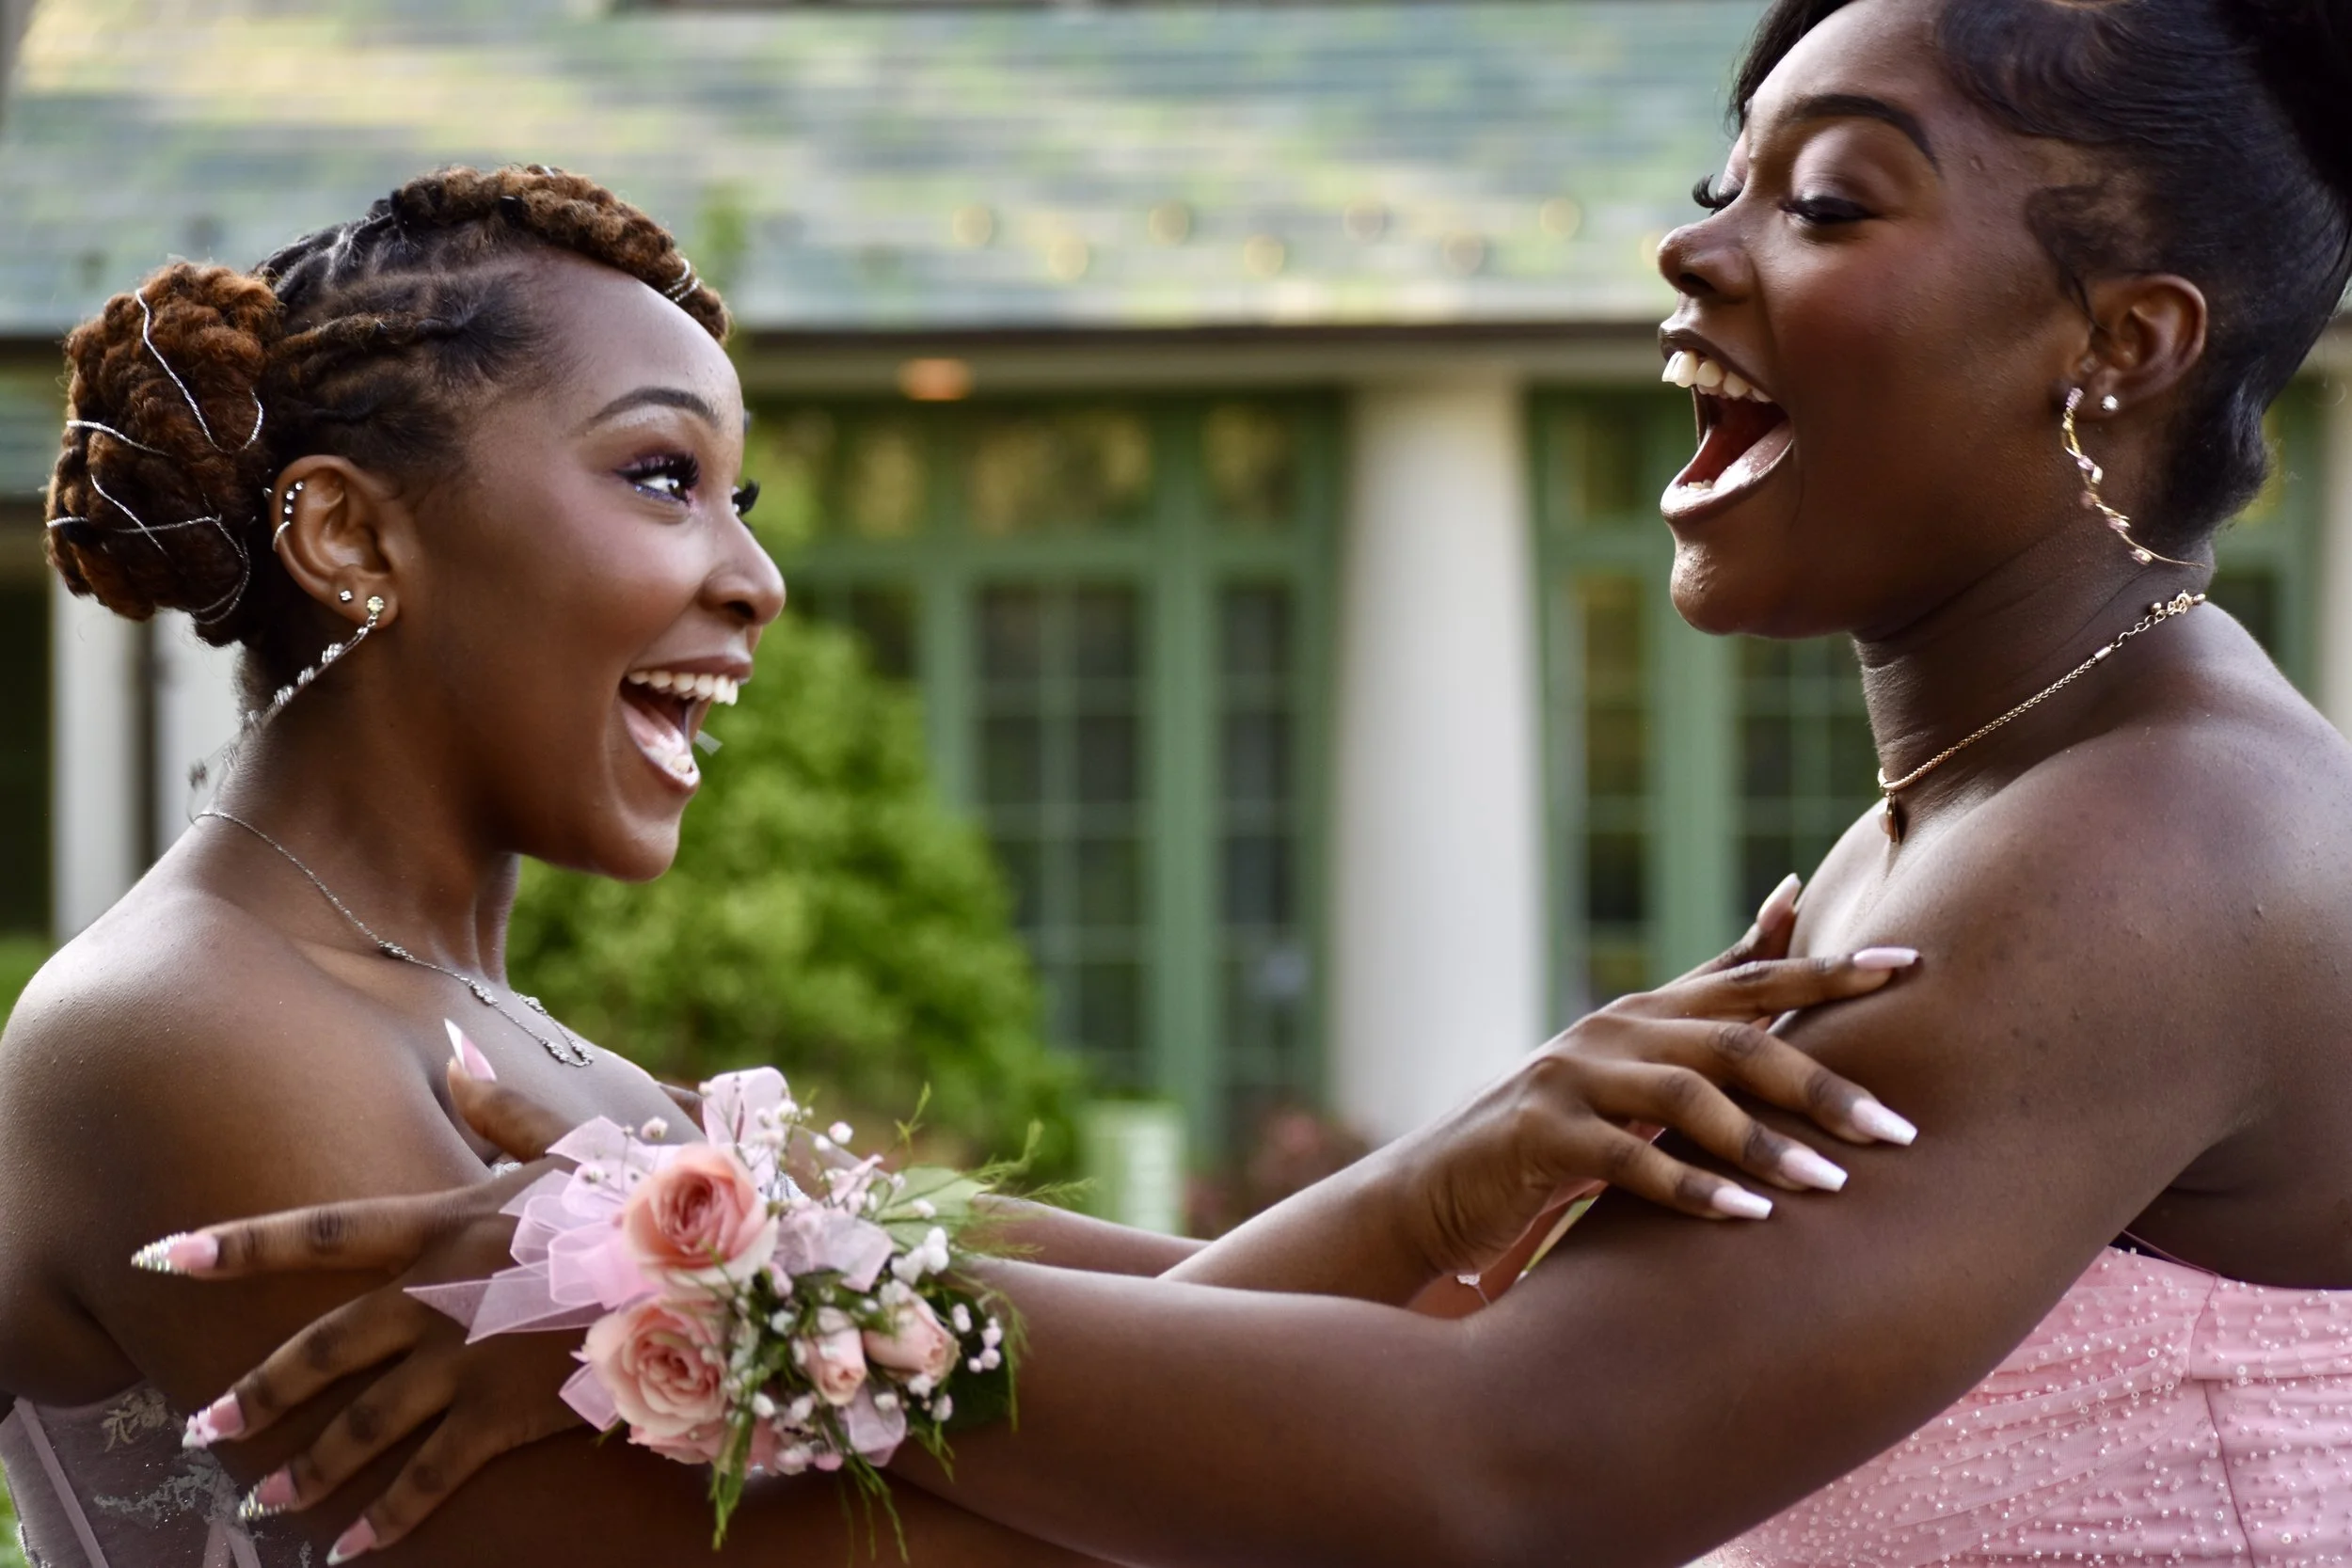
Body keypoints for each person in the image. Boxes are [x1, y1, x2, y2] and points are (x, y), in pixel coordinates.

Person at [169, 0, 2352, 1561]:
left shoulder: (2159, 838)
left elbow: (1513, 1461)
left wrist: (733, 1298)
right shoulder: (1966, 817)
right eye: (1720, 185)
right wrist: (712, 1224)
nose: (1694, 252)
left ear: (2117, 341)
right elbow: (1436, 1348)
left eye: (1826, 203)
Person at [0, 159, 1921, 1568]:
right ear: (346, 537)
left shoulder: (495, 1026)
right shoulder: (186, 1028)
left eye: (738, 497)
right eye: (661, 474)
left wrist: (1501, 1153)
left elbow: (1195, 1334)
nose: (752, 577)